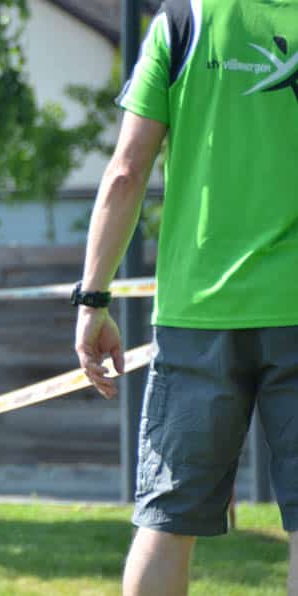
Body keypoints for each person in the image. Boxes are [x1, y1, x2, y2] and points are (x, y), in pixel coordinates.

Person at [73, 2, 298, 595]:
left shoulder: (182, 21)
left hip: (197, 316)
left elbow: (126, 171)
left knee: (167, 522)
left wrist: (93, 299)